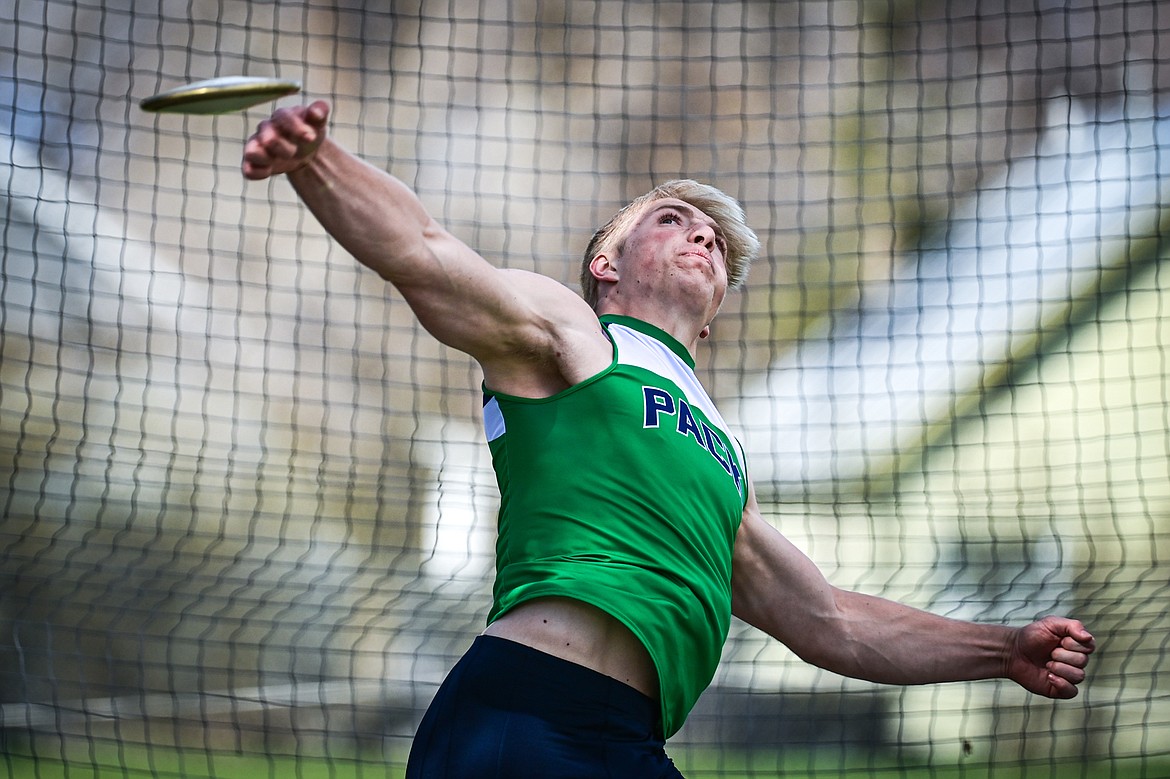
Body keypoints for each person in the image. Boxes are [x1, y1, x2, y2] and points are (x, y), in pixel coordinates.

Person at [242, 100, 1096, 778]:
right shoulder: (576, 337)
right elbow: (424, 251)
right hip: (523, 712)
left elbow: (830, 619)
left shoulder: (722, 455)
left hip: (631, 739)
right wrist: (315, 160)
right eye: (674, 220)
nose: (702, 236)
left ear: (717, 309)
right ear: (607, 264)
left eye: (715, 240)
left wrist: (1000, 647)